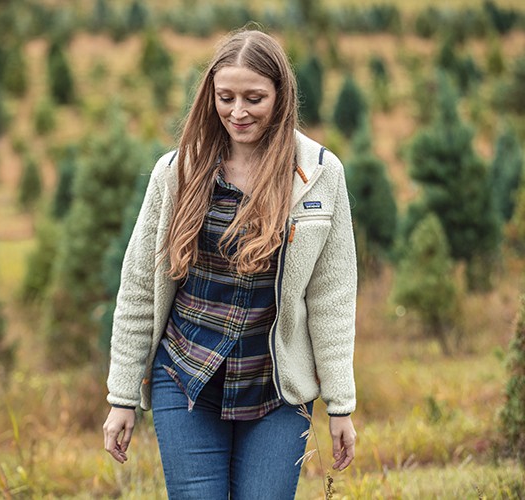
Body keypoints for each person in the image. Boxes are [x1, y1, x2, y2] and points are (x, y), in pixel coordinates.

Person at [103, 28, 358, 499]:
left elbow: (332, 298)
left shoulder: (320, 175)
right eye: (226, 97)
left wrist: (341, 404)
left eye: (254, 98)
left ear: (280, 97)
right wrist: (122, 398)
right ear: (211, 96)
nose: (238, 112)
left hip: (275, 388)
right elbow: (140, 286)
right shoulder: (177, 172)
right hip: (186, 376)